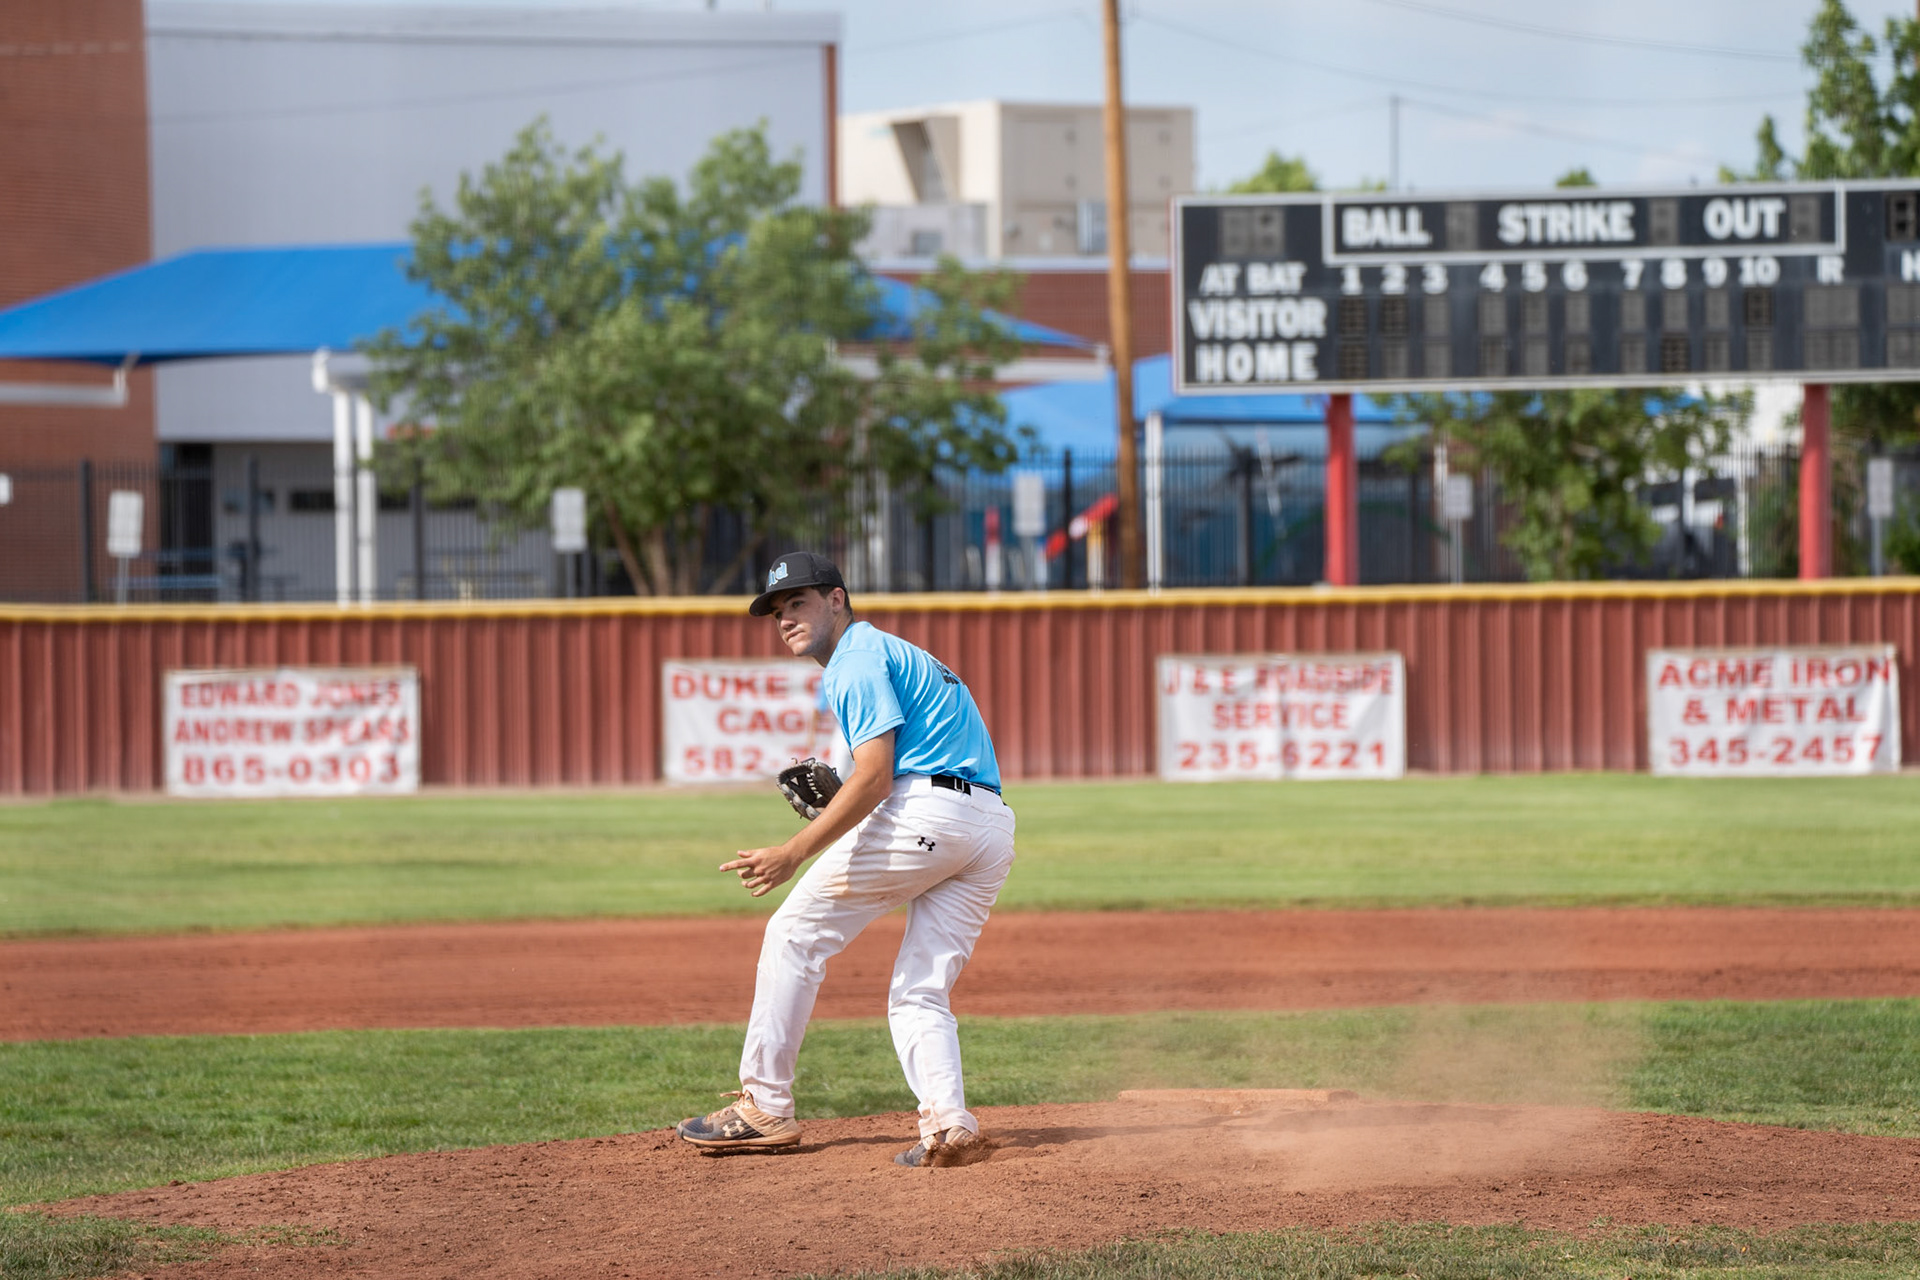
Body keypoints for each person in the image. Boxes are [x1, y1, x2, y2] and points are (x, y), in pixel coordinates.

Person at [676, 551, 1015, 1168]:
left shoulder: (853, 660)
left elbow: (876, 778)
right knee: (920, 989)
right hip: (988, 825)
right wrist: (852, 800)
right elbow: (893, 771)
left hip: (925, 814)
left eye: (798, 602)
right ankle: (949, 1127)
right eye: (777, 611)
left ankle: (764, 1107)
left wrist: (793, 852)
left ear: (837, 599)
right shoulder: (897, 653)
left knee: (793, 934)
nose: (785, 619)